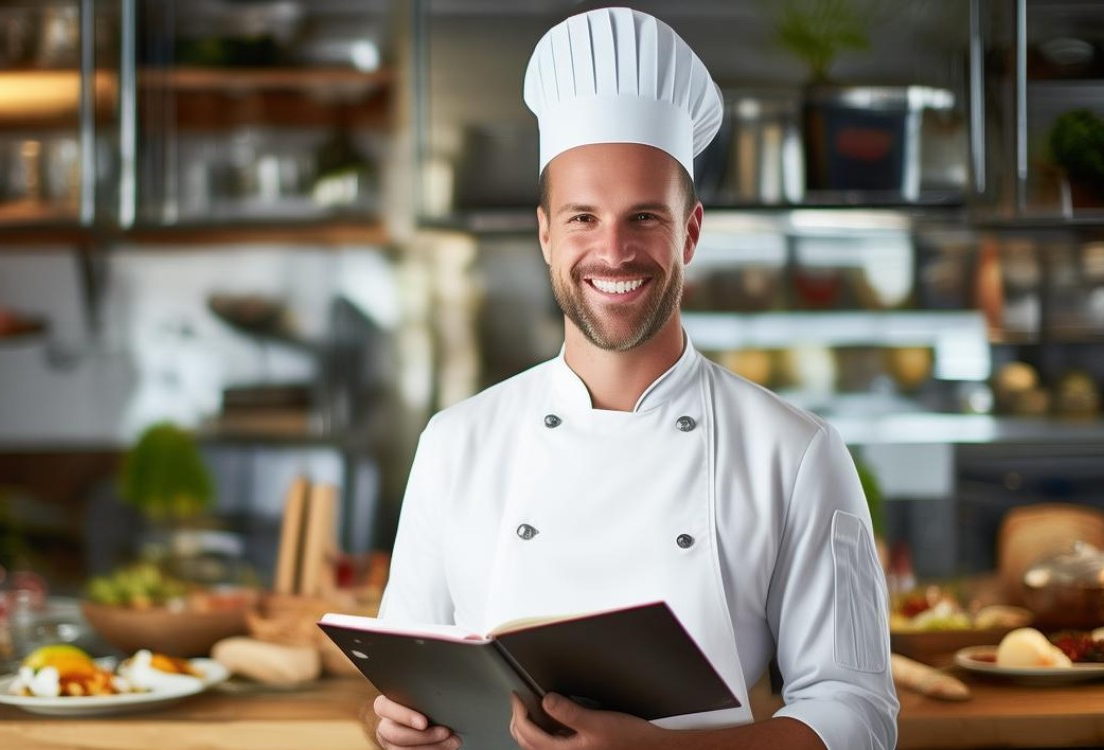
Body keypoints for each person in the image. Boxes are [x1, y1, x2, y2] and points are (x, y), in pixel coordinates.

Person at [370, 7, 898, 750]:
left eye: (644, 217)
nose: (613, 251)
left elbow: (860, 717)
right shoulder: (455, 443)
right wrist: (393, 726)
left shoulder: (796, 452)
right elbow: (400, 684)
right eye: (582, 218)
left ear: (691, 232)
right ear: (545, 234)